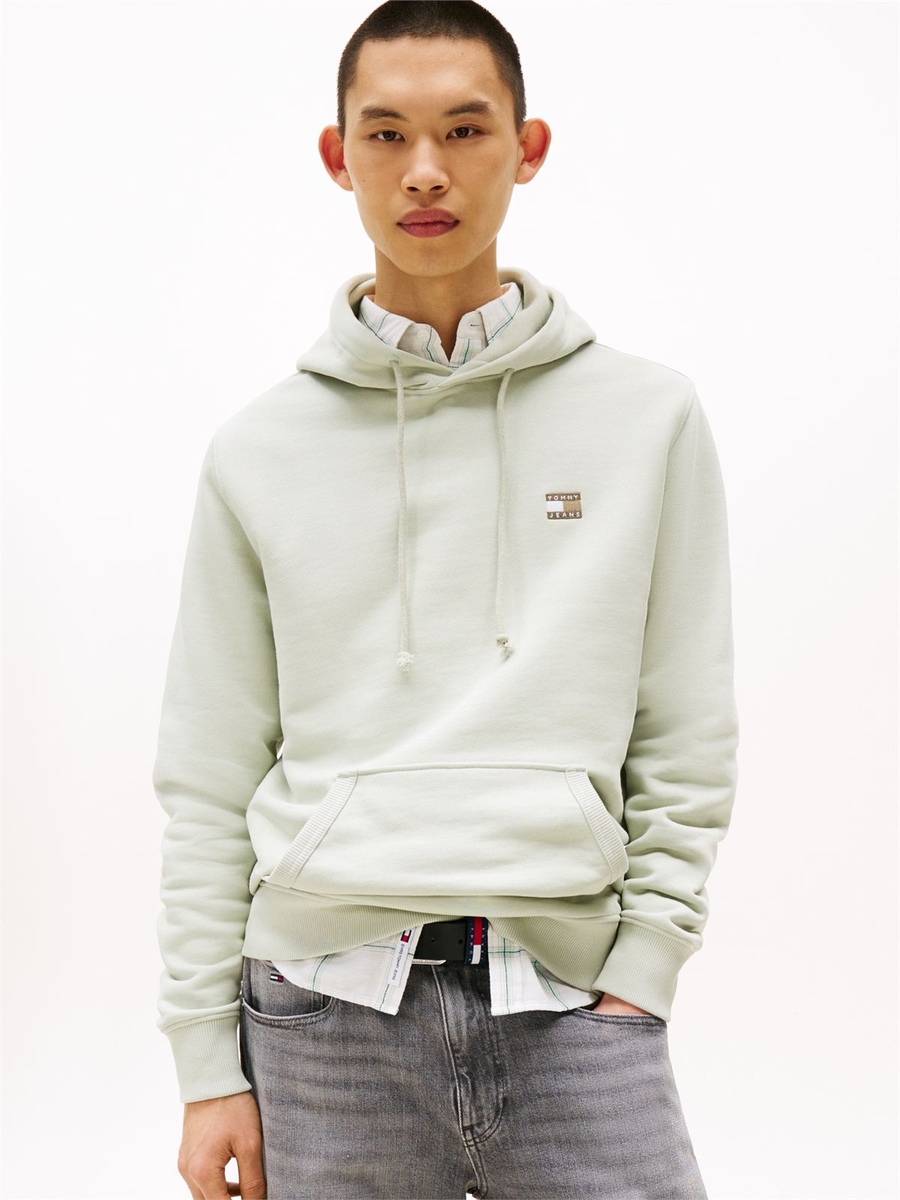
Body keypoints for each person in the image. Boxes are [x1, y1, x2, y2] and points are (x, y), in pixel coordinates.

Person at [152, 2, 740, 1197]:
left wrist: (644, 972)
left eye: (465, 130)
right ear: (340, 156)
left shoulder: (648, 420)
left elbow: (685, 729)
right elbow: (208, 777)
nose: (425, 170)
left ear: (528, 147)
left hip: (573, 1007)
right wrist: (207, 1065)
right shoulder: (259, 450)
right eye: (387, 135)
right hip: (321, 1019)